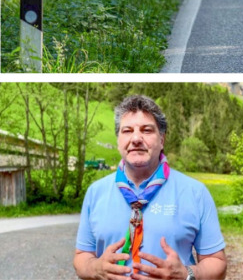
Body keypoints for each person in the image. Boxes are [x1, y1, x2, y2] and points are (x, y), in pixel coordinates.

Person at [74, 95, 227, 280]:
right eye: (127, 130)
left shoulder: (196, 192)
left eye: (147, 130)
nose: (136, 138)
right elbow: (82, 257)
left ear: (162, 140)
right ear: (118, 140)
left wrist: (187, 274)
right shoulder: (95, 192)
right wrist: (94, 268)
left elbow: (217, 263)